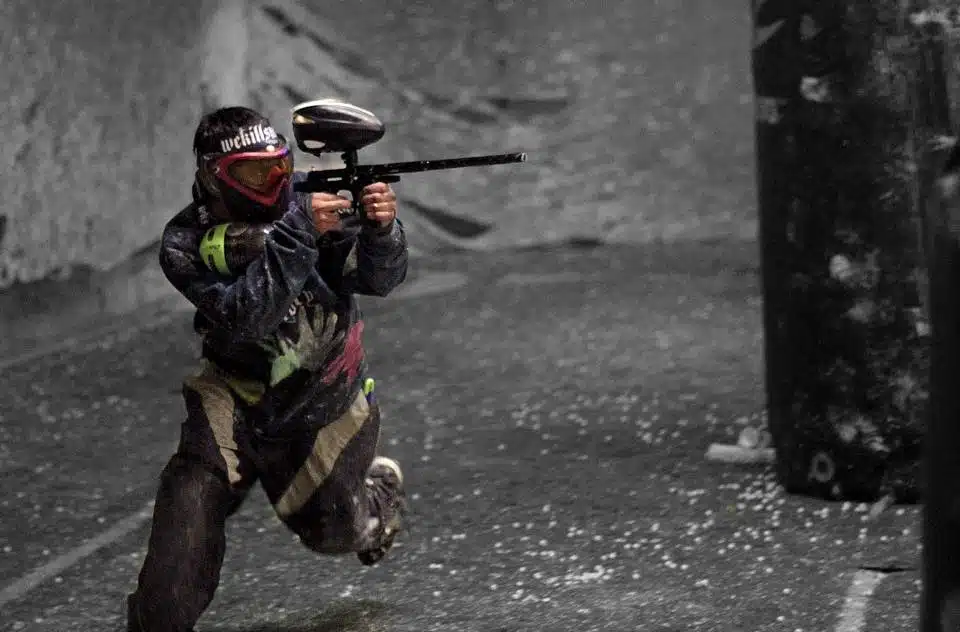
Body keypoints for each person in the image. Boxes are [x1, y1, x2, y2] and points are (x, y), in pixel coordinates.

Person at [126, 105, 409, 632]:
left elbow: (379, 279)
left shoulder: (313, 205)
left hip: (324, 400)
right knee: (188, 503)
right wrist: (298, 233)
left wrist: (382, 231)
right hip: (233, 398)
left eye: (281, 166)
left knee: (337, 533)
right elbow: (248, 317)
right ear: (213, 175)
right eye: (255, 173)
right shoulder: (185, 243)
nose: (274, 183)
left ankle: (379, 501)